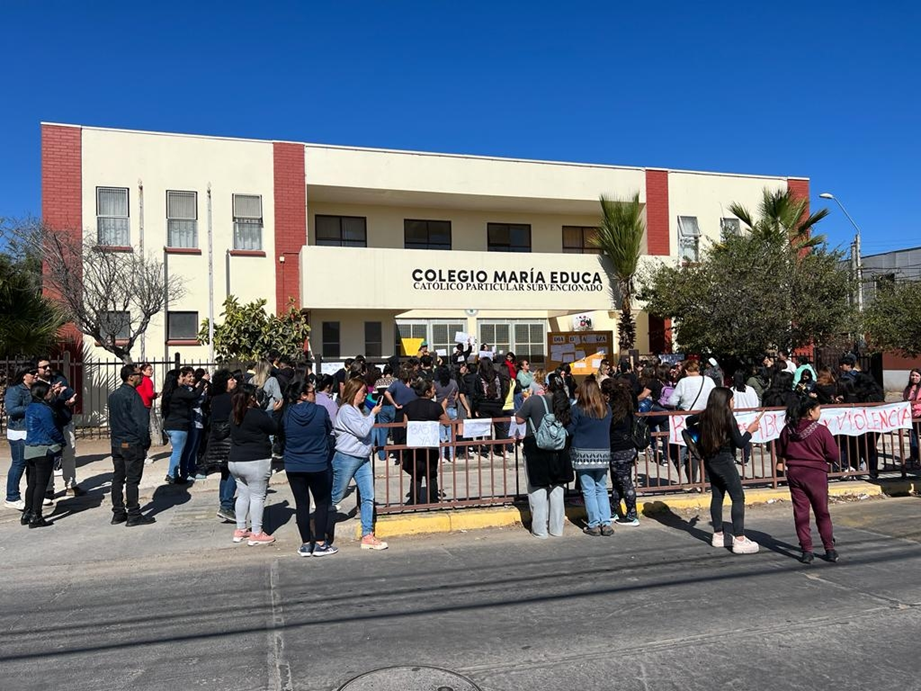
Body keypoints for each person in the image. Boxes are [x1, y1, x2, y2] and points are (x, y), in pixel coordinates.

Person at [690, 387, 762, 554]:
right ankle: (740, 538)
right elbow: (740, 442)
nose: (733, 403)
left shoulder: (706, 415)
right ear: (725, 401)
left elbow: (688, 421)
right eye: (732, 400)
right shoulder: (728, 418)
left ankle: (718, 534)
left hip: (710, 460)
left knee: (717, 496)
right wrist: (750, 431)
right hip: (725, 461)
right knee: (738, 497)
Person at [777, 397, 839, 563]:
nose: (820, 412)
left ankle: (806, 550)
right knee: (822, 512)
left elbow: (780, 450)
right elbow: (833, 455)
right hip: (816, 474)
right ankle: (829, 549)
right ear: (810, 412)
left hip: (795, 474)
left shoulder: (787, 430)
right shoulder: (821, 431)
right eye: (818, 409)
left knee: (801, 513)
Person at [331, 377, 388, 550]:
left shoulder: (357, 410)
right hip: (347, 457)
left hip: (362, 458)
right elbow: (362, 430)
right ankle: (317, 522)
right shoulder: (346, 410)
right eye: (363, 391)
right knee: (336, 496)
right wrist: (373, 414)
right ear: (353, 391)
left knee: (368, 496)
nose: (365, 395)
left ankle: (367, 534)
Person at [515, 373, 573, 538]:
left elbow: (519, 419)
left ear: (545, 385)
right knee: (557, 489)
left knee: (538, 489)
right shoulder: (564, 402)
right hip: (559, 449)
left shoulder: (534, 401)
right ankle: (557, 529)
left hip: (536, 448)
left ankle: (540, 530)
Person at [283, 380, 337, 557]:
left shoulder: (288, 413)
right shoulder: (320, 412)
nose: (315, 395)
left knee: (301, 504)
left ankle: (306, 543)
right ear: (303, 396)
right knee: (321, 503)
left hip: (293, 464)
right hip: (317, 463)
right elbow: (330, 430)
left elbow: (281, 433)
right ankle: (320, 542)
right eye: (312, 392)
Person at [228, 383, 281, 546]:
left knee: (243, 494)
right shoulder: (257, 414)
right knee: (258, 496)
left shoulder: (234, 413)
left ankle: (241, 529)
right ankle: (257, 532)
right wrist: (270, 411)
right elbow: (274, 428)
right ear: (251, 398)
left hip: (235, 461)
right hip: (255, 461)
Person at [107, 365, 156, 527]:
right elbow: (141, 422)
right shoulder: (133, 396)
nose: (141, 376)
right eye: (138, 374)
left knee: (118, 478)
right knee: (132, 480)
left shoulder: (114, 395)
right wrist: (145, 441)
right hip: (132, 442)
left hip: (117, 442)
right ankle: (133, 513)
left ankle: (118, 511)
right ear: (130, 377)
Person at [566, 378, 614, 536]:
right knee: (601, 488)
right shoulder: (606, 408)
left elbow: (571, 430)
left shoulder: (578, 409)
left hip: (582, 453)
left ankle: (594, 524)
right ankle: (606, 523)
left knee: (588, 490)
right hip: (603, 453)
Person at [402, 378, 451, 505]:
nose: (435, 390)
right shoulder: (436, 407)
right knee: (432, 473)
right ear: (428, 392)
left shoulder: (409, 406)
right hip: (431, 444)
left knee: (416, 474)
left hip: (415, 445)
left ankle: (414, 500)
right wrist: (443, 407)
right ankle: (433, 499)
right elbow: (447, 423)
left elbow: (405, 424)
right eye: (433, 389)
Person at [22, 381, 63, 528]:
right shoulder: (43, 409)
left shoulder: (30, 408)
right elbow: (51, 429)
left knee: (32, 483)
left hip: (30, 448)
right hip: (43, 448)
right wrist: (61, 441)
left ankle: (27, 512)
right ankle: (36, 515)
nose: (51, 393)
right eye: (49, 391)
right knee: (41, 484)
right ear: (43, 394)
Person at [602, 379, 640, 527]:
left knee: (624, 482)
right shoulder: (627, 407)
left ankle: (632, 514)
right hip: (628, 448)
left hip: (617, 449)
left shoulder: (611, 409)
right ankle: (613, 510)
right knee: (619, 481)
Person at [202, 370, 237, 522]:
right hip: (229, 439)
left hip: (217, 440)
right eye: (231, 379)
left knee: (224, 472)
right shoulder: (232, 399)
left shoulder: (215, 399)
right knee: (234, 473)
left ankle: (224, 501)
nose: (234, 381)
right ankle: (227, 505)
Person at [4, 366, 36, 511]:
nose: (36, 375)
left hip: (31, 431)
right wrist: (32, 407)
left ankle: (33, 495)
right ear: (24, 376)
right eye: (32, 373)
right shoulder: (15, 390)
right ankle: (12, 497)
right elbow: (12, 410)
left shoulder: (34, 388)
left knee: (32, 464)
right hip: (19, 431)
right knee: (19, 463)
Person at [161, 367, 197, 484]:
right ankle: (172, 475)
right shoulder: (179, 391)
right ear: (176, 379)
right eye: (182, 377)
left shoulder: (169, 392)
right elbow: (194, 396)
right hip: (178, 427)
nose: (183, 379)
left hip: (170, 426)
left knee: (177, 451)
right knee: (177, 452)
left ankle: (174, 474)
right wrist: (202, 384)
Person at [433, 365, 460, 461]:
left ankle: (442, 456)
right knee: (452, 435)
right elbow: (456, 396)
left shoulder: (435, 384)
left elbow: (434, 395)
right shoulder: (454, 383)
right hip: (452, 408)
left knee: (441, 435)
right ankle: (452, 456)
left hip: (440, 410)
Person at [137, 363, 159, 464]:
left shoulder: (139, 380)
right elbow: (150, 394)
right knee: (144, 431)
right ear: (143, 371)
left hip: (138, 406)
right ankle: (144, 455)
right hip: (145, 406)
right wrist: (156, 395)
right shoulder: (148, 381)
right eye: (149, 369)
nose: (151, 371)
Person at [902, 369, 921, 467]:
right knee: (913, 437)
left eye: (917, 375)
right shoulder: (908, 388)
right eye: (913, 375)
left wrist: (916, 407)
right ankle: (915, 456)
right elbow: (905, 399)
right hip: (911, 416)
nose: (914, 377)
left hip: (919, 415)